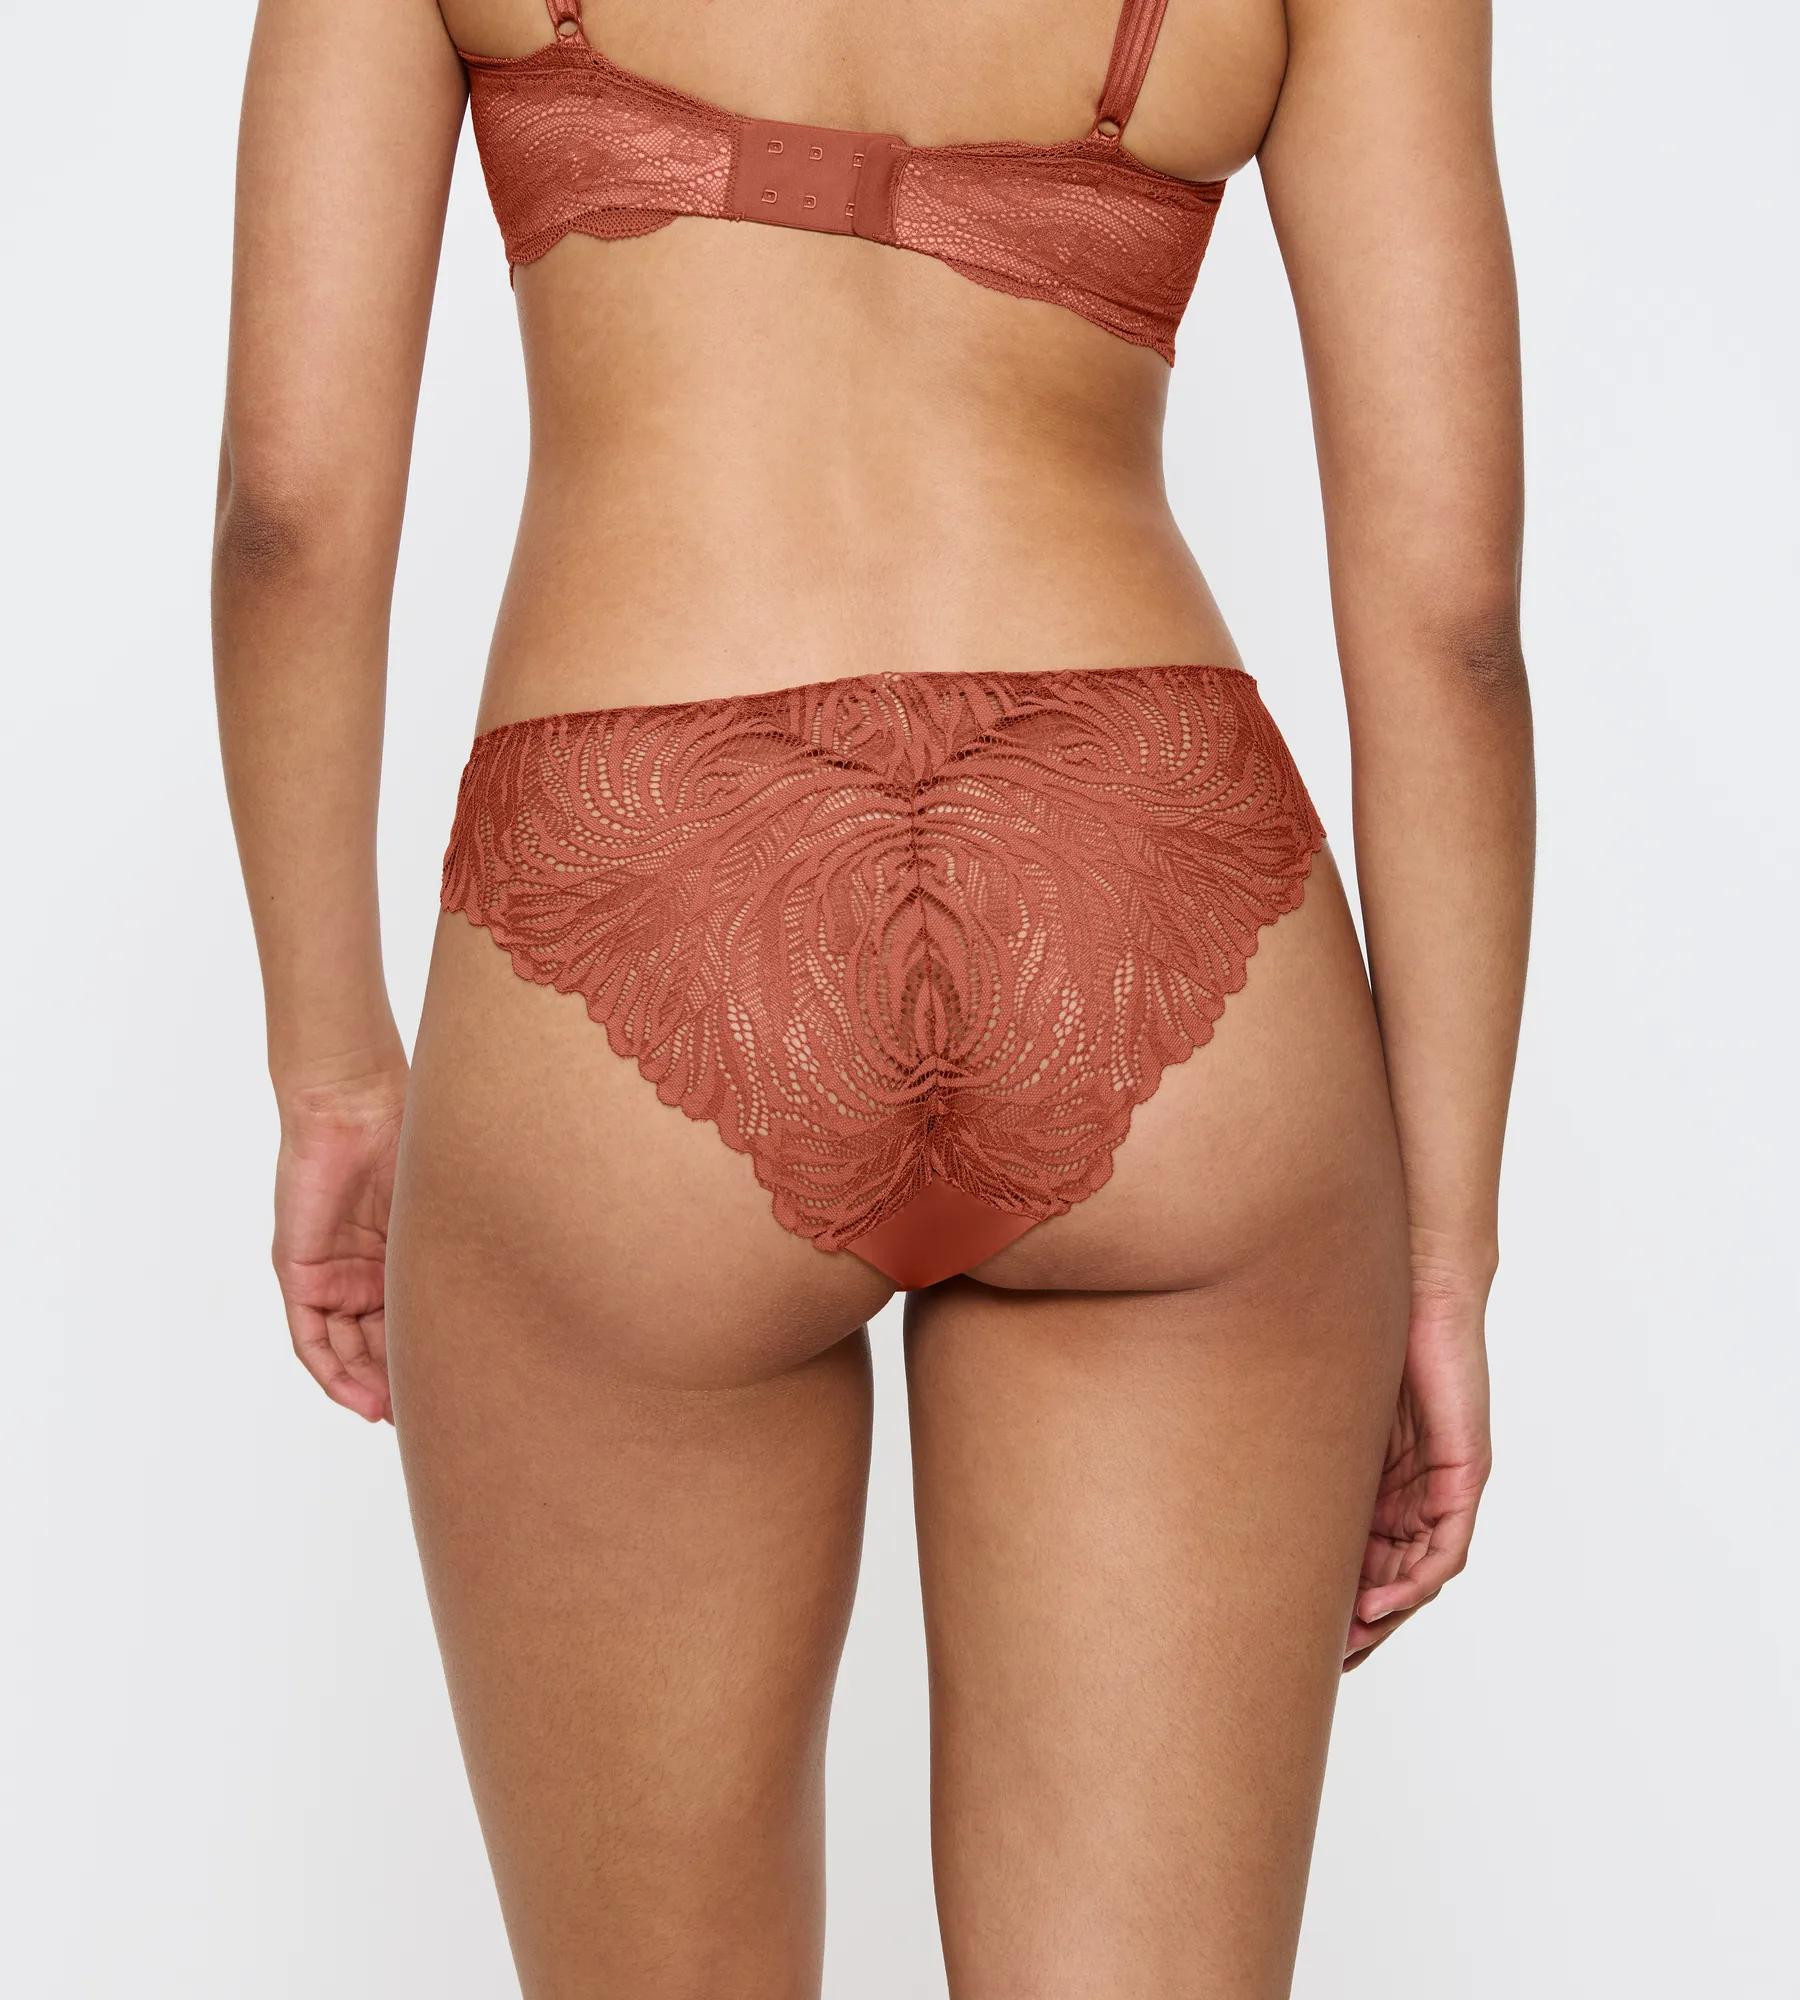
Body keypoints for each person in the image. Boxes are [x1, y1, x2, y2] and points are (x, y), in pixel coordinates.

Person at [213, 0, 1532, 1990]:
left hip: (634, 881)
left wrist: (332, 1068)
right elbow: (1454, 624)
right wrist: (1444, 1252)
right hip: (1152, 894)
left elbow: (288, 518)